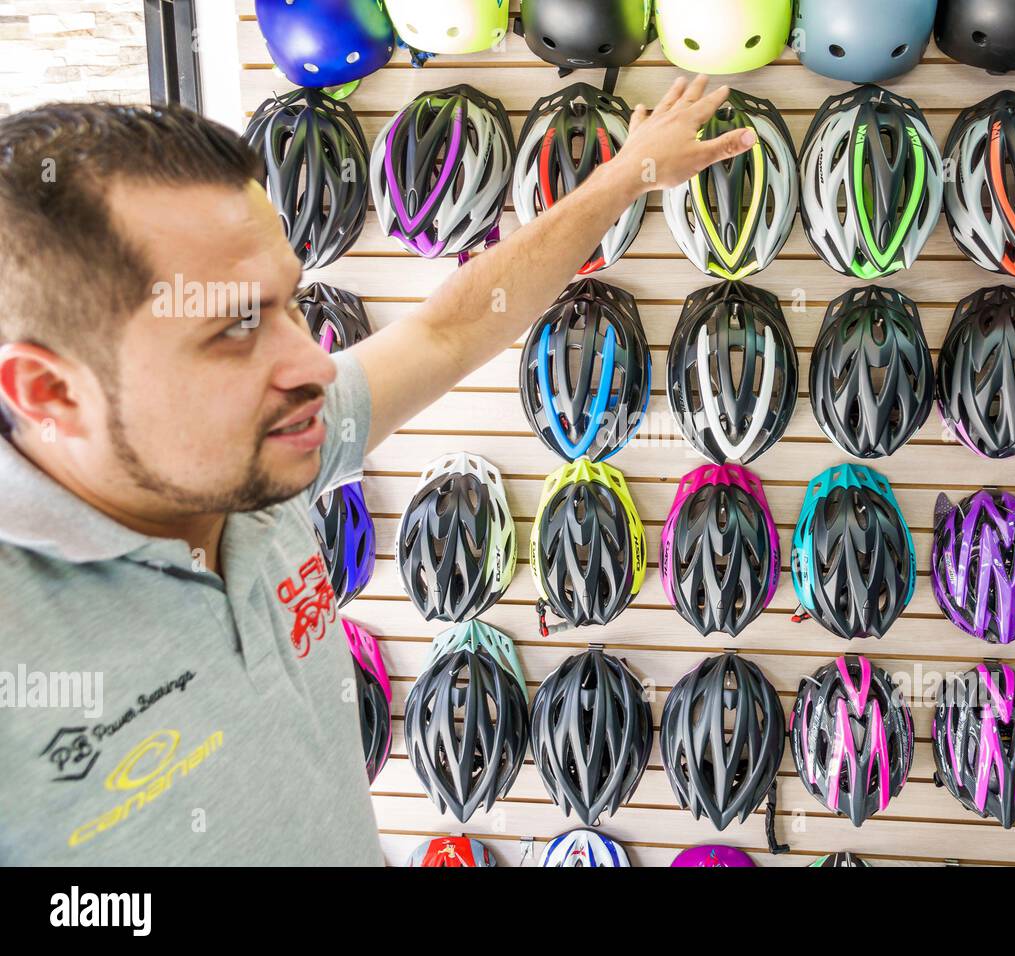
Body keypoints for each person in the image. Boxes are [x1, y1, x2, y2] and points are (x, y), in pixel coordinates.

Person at [0, 77, 755, 865]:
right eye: (233, 328)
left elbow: (449, 330)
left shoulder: (257, 454)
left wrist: (626, 175)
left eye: (290, 302)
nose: (313, 365)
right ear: (52, 392)